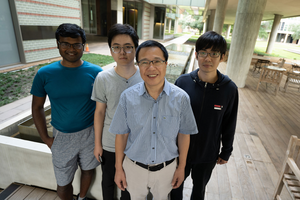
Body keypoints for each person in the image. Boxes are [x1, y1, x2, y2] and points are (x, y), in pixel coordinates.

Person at [109, 40, 198, 200]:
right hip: (134, 167)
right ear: (138, 65)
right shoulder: (127, 97)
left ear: (166, 64)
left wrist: (181, 167)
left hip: (167, 169)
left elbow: (184, 134)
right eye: (144, 62)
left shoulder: (181, 98)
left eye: (157, 61)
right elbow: (121, 135)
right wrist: (118, 168)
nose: (151, 67)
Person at [31, 23, 103, 200]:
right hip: (61, 137)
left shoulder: (97, 73)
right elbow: (37, 108)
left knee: (88, 170)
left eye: (76, 44)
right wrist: (46, 139)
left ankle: (82, 197)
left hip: (90, 134)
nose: (71, 49)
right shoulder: (44, 74)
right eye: (65, 44)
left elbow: (104, 108)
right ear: (57, 44)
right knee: (63, 183)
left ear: (83, 45)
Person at [170, 31, 239, 200]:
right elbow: (171, 117)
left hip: (208, 153)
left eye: (214, 53)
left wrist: (226, 151)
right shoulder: (183, 82)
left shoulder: (229, 89)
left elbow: (230, 122)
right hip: (179, 151)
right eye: (203, 53)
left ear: (222, 56)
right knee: (174, 188)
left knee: (199, 190)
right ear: (196, 55)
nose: (208, 58)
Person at [91, 23, 142, 200]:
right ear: (110, 50)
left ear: (135, 48)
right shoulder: (103, 78)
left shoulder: (145, 76)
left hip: (136, 144)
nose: (122, 52)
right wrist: (97, 144)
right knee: (108, 181)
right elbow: (99, 113)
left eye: (128, 47)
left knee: (129, 185)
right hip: (109, 143)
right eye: (117, 47)